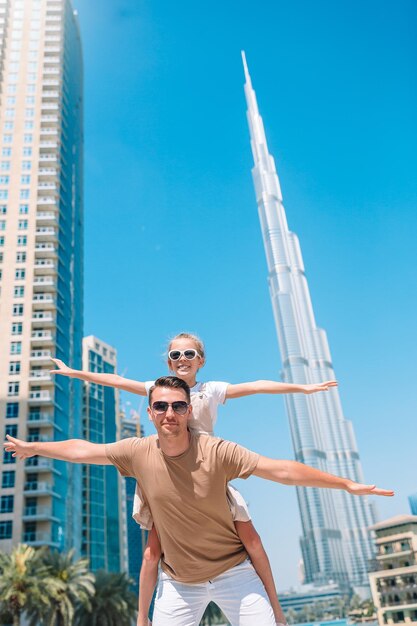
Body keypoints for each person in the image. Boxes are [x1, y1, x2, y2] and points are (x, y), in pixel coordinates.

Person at [4, 376, 393, 626]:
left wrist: (345, 484)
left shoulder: (217, 451)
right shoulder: (137, 451)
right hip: (179, 585)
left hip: (234, 574)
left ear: (189, 410)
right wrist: (33, 445)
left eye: (177, 405)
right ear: (151, 412)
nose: (169, 413)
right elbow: (83, 449)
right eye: (161, 406)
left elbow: (281, 470)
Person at [50, 332, 338, 626]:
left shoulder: (210, 390)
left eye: (189, 354)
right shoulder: (159, 391)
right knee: (153, 549)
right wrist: (75, 373)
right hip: (167, 476)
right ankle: (144, 615)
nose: (182, 360)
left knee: (249, 537)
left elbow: (256, 386)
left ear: (200, 360)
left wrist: (302, 388)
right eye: (175, 355)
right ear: (168, 363)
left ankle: (275, 611)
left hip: (207, 474)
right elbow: (117, 382)